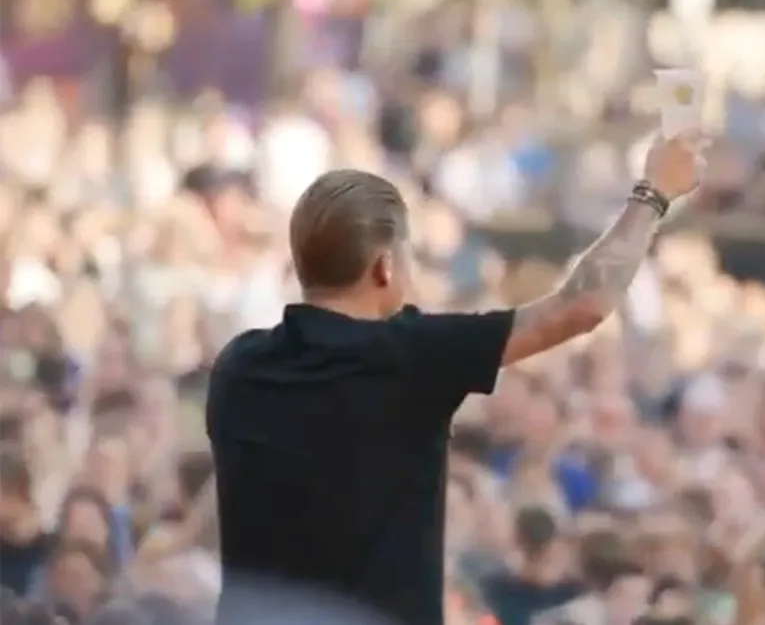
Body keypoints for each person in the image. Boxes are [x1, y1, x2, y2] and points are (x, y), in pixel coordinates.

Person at [204, 133, 704, 625]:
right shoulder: (414, 355)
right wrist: (653, 194)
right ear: (384, 265)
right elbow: (582, 304)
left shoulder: (238, 367)